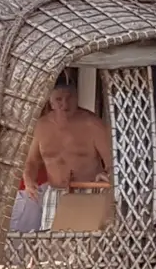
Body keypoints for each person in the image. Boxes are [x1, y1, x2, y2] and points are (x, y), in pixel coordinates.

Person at [15, 75, 113, 229]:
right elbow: (31, 161)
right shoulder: (41, 126)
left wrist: (107, 175)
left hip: (89, 192)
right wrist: (29, 180)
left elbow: (112, 162)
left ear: (77, 99)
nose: (65, 104)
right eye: (59, 99)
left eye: (70, 98)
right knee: (51, 244)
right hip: (55, 192)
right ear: (51, 102)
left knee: (87, 244)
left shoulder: (93, 124)